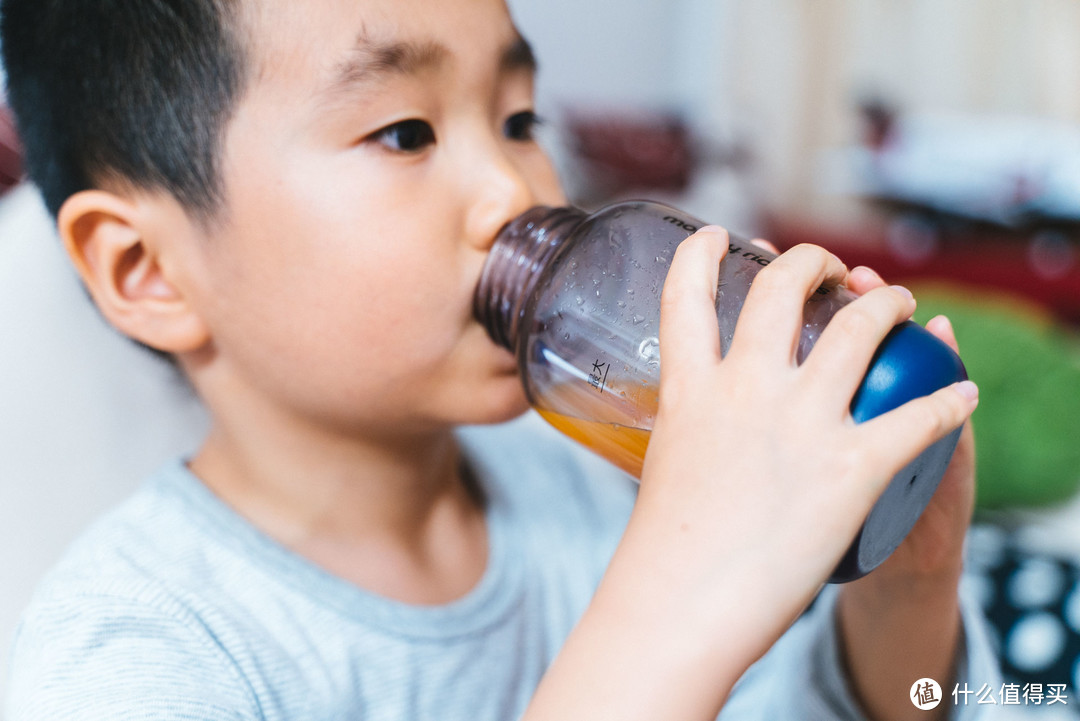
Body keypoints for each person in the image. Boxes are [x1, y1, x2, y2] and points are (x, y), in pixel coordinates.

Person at [0, 0, 993, 719]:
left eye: (521, 120)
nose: (514, 192)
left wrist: (907, 584)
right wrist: (672, 595)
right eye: (404, 132)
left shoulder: (577, 481)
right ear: (149, 270)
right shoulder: (138, 652)